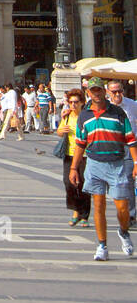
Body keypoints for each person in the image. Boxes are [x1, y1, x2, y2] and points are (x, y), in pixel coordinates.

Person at [70, 75, 137, 260]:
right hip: (94, 163)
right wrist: (74, 168)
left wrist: (136, 162)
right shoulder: (84, 115)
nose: (96, 93)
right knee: (98, 205)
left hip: (117, 163)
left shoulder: (117, 113)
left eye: (99, 90)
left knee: (122, 207)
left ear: (104, 91)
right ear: (88, 93)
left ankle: (123, 232)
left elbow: (130, 139)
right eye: (93, 91)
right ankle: (102, 245)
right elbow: (80, 143)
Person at [57, 87, 91, 227]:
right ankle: (75, 211)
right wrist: (61, 130)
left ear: (82, 102)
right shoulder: (66, 116)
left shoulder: (87, 116)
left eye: (76, 102)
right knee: (69, 183)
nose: (73, 105)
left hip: (84, 155)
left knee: (83, 185)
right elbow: (59, 132)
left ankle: (84, 215)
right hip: (69, 154)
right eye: (71, 102)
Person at [106, 81, 137, 223]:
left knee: (128, 180)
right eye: (114, 92)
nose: (117, 94)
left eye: (119, 91)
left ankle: (130, 215)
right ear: (108, 92)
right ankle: (122, 210)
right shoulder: (105, 107)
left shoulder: (132, 105)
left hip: (130, 147)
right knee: (115, 181)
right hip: (111, 147)